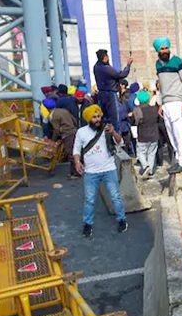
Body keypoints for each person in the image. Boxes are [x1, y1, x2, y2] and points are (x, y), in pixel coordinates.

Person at [72, 104, 127, 238]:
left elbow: (121, 142)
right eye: (94, 117)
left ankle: (122, 220)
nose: (97, 119)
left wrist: (113, 132)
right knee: (89, 200)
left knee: (115, 197)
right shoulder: (81, 132)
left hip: (109, 169)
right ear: (88, 119)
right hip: (91, 172)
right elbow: (76, 150)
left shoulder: (106, 129)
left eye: (98, 116)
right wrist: (77, 162)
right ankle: (87, 224)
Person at [153, 36, 182, 174]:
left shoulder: (177, 62)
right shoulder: (158, 64)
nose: (164, 50)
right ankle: (178, 160)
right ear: (157, 50)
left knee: (180, 132)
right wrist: (161, 103)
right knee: (171, 134)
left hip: (177, 101)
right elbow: (161, 85)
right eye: (162, 49)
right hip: (166, 103)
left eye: (166, 48)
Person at [92, 49, 132, 130]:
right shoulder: (106, 68)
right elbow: (121, 74)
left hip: (101, 93)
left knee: (104, 117)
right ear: (105, 57)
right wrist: (128, 65)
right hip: (110, 93)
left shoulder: (96, 67)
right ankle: (116, 135)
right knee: (115, 117)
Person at [132, 90, 159, 178]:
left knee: (141, 153)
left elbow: (134, 122)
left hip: (143, 135)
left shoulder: (137, 110)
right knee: (152, 153)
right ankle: (150, 170)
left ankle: (145, 166)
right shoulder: (154, 109)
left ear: (139, 100)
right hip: (154, 134)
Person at [49, 106, 79, 179]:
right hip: (74, 132)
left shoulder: (53, 116)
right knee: (74, 151)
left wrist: (53, 140)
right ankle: (73, 172)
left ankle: (76, 173)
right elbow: (74, 120)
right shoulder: (64, 110)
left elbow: (56, 130)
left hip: (67, 134)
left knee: (71, 154)